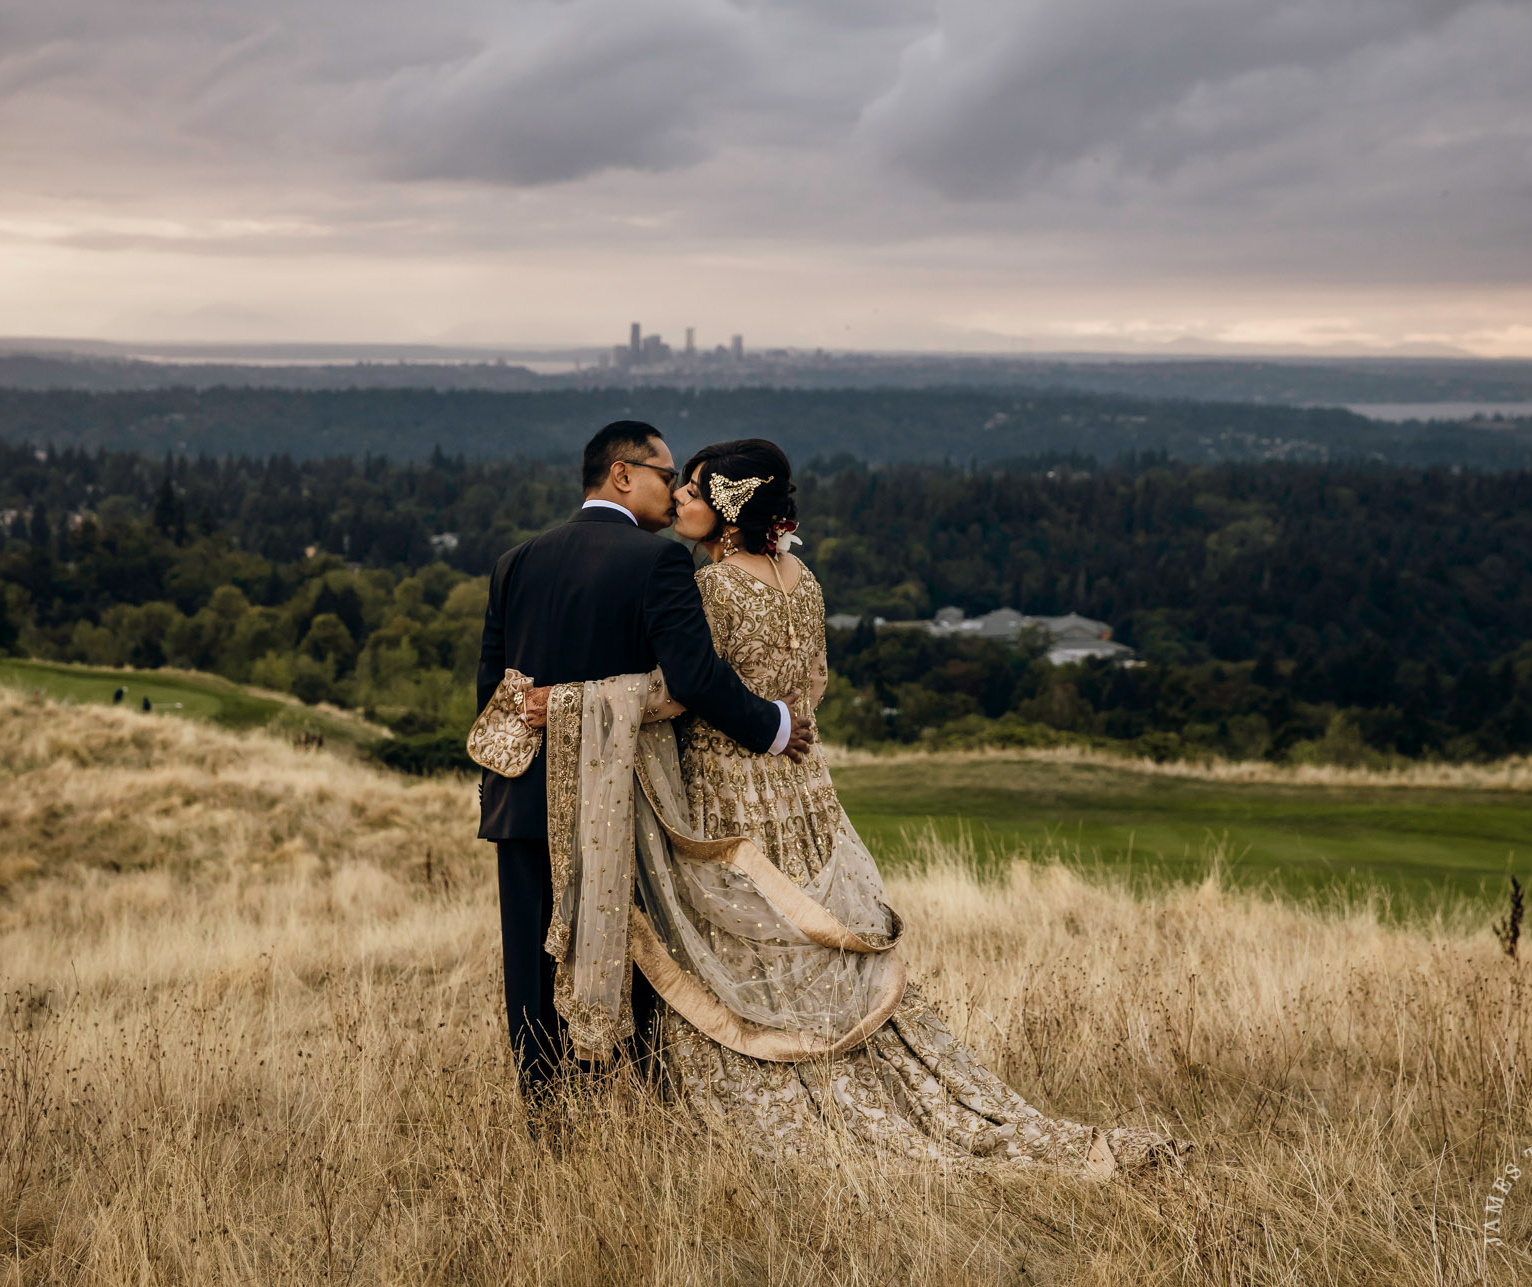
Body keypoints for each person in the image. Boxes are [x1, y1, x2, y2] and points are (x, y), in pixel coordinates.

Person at [509, 438, 1189, 1174]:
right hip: (804, 789)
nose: (679, 499)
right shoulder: (805, 581)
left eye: (697, 491)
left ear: (732, 508)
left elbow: (685, 689)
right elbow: (817, 682)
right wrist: (779, 720)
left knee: (749, 939)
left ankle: (786, 1082)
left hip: (731, 788)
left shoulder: (715, 590)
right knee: (805, 932)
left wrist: (575, 703)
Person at [476, 421, 817, 1100]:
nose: (675, 492)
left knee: (531, 966)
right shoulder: (658, 563)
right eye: (668, 477)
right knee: (633, 954)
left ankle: (543, 1110)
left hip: (520, 798)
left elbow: (494, 687)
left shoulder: (515, 559)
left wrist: (524, 751)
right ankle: (629, 1101)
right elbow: (692, 678)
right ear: (624, 474)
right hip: (617, 798)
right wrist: (772, 724)